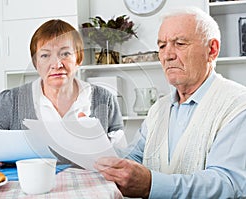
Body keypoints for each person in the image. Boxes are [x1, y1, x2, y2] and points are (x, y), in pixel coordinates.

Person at [94, 7, 246, 199]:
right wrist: (94, 148)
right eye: (162, 46)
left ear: (212, 50)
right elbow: (133, 158)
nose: (167, 55)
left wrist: (151, 185)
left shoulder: (238, 105)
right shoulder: (159, 108)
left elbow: (228, 183)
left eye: (180, 43)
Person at [0, 19, 124, 168]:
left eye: (65, 54)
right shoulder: (11, 101)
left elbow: (123, 158)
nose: (56, 64)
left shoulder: (104, 99)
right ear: (35, 63)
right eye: (45, 56)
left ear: (78, 58)